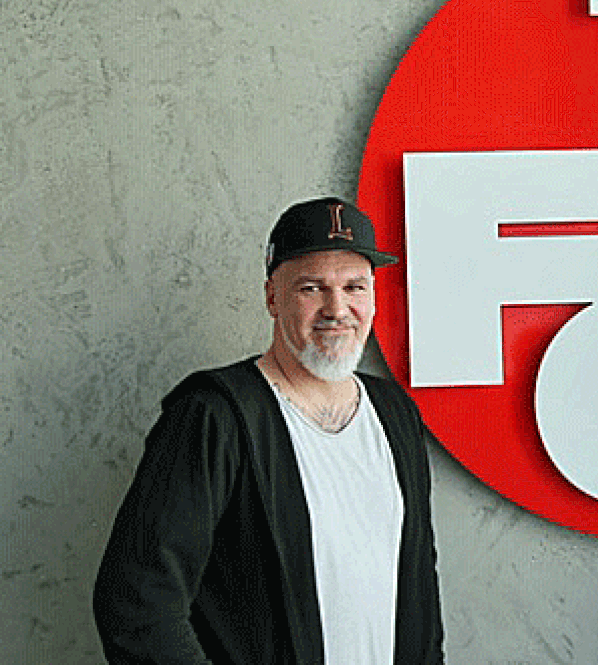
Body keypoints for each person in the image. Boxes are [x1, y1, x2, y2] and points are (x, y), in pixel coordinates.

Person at [93, 197, 444, 664]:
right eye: (312, 288)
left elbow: (420, 587)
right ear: (272, 297)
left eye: (354, 287)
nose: (337, 308)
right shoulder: (215, 417)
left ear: (374, 297)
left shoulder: (393, 412)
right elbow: (138, 601)